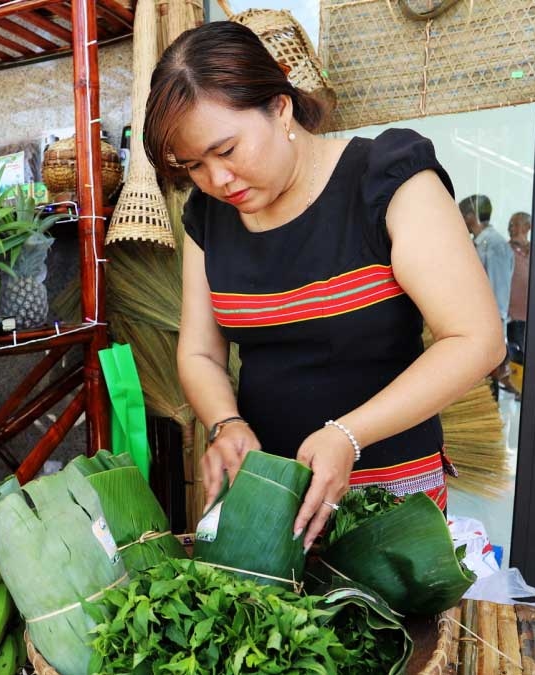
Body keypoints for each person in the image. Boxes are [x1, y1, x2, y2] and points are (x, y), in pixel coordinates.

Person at [143, 21, 505, 552]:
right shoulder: (208, 216)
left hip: (388, 495)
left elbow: (477, 340)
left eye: (227, 150)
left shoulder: (387, 181)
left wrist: (347, 435)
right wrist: (226, 422)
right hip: (270, 496)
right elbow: (198, 350)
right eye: (194, 165)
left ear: (280, 107)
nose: (216, 180)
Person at [461, 195, 514, 321]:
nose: (459, 220)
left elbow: (498, 293)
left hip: (487, 323)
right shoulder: (477, 244)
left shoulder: (495, 245)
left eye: (461, 214)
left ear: (471, 215)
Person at [501, 212, 532, 395]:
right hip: (514, 319)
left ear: (527, 227)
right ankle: (519, 391)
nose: (510, 228)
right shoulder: (506, 250)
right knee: (516, 360)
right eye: (510, 224)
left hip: (534, 318)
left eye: (515, 224)